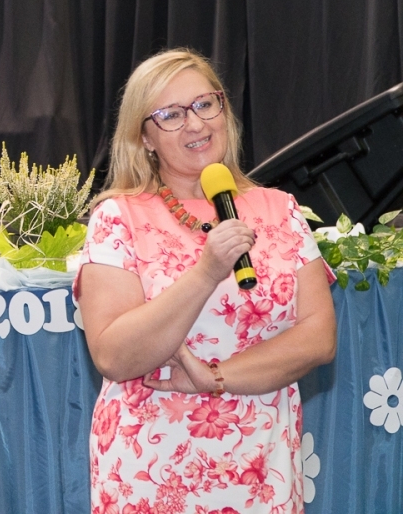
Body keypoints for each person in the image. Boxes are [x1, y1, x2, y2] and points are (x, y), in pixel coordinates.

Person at [74, 49, 336, 513]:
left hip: (261, 467)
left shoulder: (280, 209)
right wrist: (206, 273)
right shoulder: (118, 217)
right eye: (171, 115)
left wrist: (213, 377)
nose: (194, 124)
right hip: (151, 466)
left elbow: (319, 338)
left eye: (204, 104)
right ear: (145, 137)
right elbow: (113, 355)